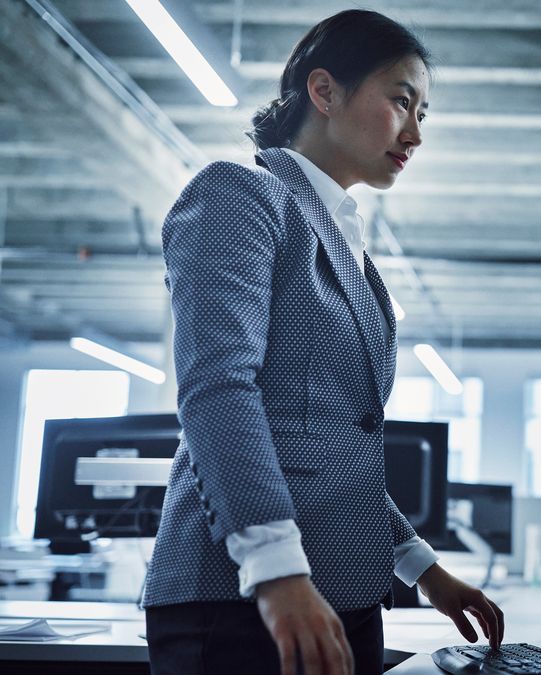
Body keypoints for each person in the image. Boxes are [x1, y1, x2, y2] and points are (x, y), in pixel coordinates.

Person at [142, 10, 503, 675]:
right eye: (402, 101)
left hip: (340, 591)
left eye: (424, 112)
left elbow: (336, 443)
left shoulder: (346, 246)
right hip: (244, 596)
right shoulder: (239, 195)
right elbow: (218, 391)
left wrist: (422, 567)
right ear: (324, 91)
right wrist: (277, 573)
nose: (416, 132)